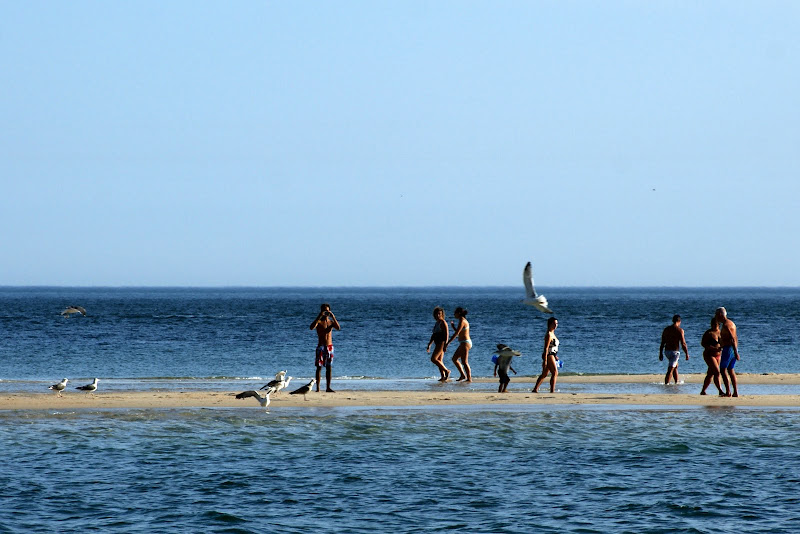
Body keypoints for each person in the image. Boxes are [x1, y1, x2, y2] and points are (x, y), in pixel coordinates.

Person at [309, 303, 340, 393]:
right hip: (321, 346)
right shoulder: (319, 322)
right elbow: (311, 327)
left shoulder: (331, 322)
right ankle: (318, 388)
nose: (326, 312)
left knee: (329, 367)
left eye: (327, 310)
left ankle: (328, 387)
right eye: (324, 310)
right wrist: (319, 316)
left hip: (329, 347)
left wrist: (333, 316)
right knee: (319, 367)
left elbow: (338, 328)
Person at [716, 307, 741, 397]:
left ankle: (728, 392)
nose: (715, 317)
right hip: (732, 348)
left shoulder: (726, 325)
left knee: (723, 370)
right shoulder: (731, 323)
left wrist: (735, 352)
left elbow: (733, 339)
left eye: (716, 315)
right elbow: (735, 337)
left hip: (729, 349)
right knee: (730, 370)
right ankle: (735, 392)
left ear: (720, 315)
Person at [659, 314, 690, 385]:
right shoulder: (680, 330)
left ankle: (676, 382)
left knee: (675, 366)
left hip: (667, 352)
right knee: (670, 369)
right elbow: (683, 343)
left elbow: (662, 342)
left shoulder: (666, 329)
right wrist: (686, 354)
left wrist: (660, 353)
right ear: (679, 321)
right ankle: (666, 384)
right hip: (674, 353)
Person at [533, 317, 560, 393]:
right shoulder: (549, 334)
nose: (556, 325)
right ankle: (552, 390)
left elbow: (553, 347)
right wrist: (545, 360)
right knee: (555, 372)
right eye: (554, 324)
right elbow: (546, 348)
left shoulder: (553, 333)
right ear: (550, 324)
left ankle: (535, 389)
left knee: (544, 373)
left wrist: (555, 356)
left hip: (552, 355)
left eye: (557, 323)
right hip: (548, 354)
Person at [700, 317, 724, 396]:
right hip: (709, 354)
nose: (714, 326)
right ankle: (720, 391)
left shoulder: (720, 332)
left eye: (716, 325)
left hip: (718, 355)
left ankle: (703, 391)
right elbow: (703, 343)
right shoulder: (709, 333)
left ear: (718, 325)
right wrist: (712, 348)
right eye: (712, 324)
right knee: (717, 372)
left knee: (710, 373)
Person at [447, 307, 472, 382]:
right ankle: (462, 375)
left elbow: (457, 333)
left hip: (465, 343)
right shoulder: (461, 320)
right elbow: (460, 332)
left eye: (455, 313)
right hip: (463, 343)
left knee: (464, 362)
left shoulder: (462, 321)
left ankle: (469, 378)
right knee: (454, 359)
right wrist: (453, 327)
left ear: (459, 313)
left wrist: (448, 342)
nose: (454, 314)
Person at [426, 307, 450, 381]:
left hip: (441, 343)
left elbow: (447, 335)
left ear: (442, 314)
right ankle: (443, 376)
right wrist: (429, 344)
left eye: (439, 314)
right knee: (439, 360)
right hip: (437, 343)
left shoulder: (443, 322)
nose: (438, 315)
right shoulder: (437, 323)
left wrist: (446, 344)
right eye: (436, 314)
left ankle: (446, 371)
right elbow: (433, 335)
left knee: (434, 359)